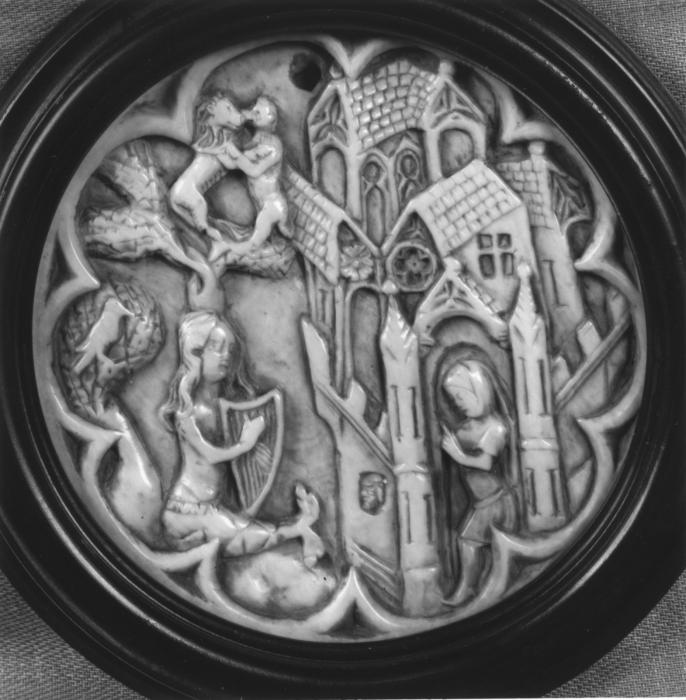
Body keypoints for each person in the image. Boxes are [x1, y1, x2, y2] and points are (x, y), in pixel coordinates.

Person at [160, 310, 324, 563]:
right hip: (186, 512)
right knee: (252, 536)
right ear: (195, 352)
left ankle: (299, 528)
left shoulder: (223, 408)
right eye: (215, 347)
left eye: (229, 349)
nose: (225, 355)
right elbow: (209, 455)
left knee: (256, 531)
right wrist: (245, 444)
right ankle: (299, 529)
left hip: (213, 508)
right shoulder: (188, 411)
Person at [440, 359, 518, 606]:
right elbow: (462, 434)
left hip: (495, 501)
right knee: (473, 543)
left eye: (462, 396)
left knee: (471, 543)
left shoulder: (496, 428)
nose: (458, 403)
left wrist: (458, 455)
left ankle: (471, 590)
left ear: (481, 391)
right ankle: (474, 588)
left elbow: (485, 463)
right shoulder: (466, 427)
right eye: (454, 399)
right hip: (481, 503)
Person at [208, 96, 290, 261]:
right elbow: (234, 164)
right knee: (262, 240)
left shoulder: (273, 146)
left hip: (273, 205)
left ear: (271, 119)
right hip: (261, 204)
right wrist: (216, 150)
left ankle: (223, 247)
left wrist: (235, 153)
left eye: (259, 112)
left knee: (253, 243)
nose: (254, 113)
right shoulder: (256, 141)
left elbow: (253, 171)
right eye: (255, 109)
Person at [169, 92, 246, 244]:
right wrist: (244, 159)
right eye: (228, 108)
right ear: (211, 109)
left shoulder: (210, 145)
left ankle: (206, 235)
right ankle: (208, 233)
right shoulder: (216, 148)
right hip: (185, 190)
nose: (233, 112)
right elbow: (232, 165)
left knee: (195, 217)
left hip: (181, 191)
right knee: (200, 206)